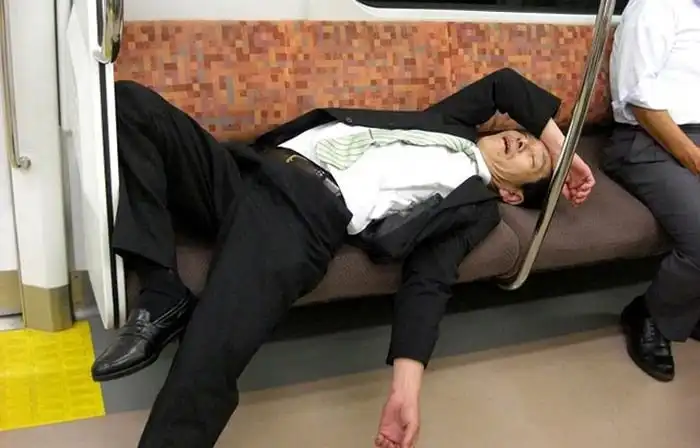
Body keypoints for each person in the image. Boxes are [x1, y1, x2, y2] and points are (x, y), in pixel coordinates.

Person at [91, 67, 594, 448]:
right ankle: (163, 288)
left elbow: (429, 280)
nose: (523, 141)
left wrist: (405, 389)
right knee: (129, 102)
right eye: (527, 135)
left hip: (302, 212)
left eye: (533, 157)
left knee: (211, 347)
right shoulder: (449, 122)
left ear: (511, 194)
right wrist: (562, 147)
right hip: (250, 169)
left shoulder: (474, 208)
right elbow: (505, 84)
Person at [602, 0, 700, 383]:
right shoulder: (656, 6)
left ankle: (689, 308)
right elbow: (638, 98)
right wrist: (694, 157)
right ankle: (650, 313)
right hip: (649, 138)